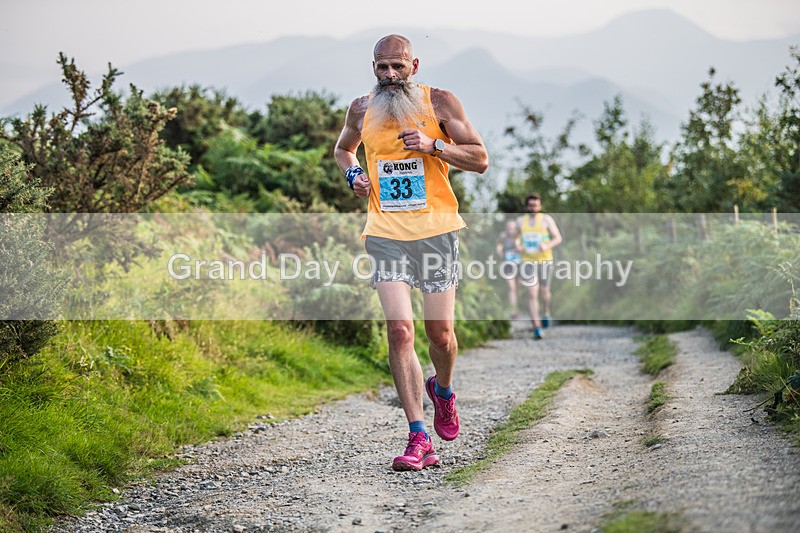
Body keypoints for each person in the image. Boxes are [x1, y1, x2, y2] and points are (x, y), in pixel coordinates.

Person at [334, 34, 488, 471]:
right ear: (373, 67)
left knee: (441, 335)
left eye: (397, 66)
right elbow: (343, 150)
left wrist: (433, 145)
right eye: (381, 67)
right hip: (385, 233)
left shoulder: (440, 103)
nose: (389, 75)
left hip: (436, 232)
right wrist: (353, 176)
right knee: (400, 331)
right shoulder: (360, 109)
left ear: (414, 66)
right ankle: (418, 436)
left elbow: (479, 159)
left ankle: (443, 389)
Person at [517, 193, 562, 340]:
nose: (533, 208)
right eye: (530, 205)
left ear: (540, 206)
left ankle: (546, 311)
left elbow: (558, 238)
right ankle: (536, 327)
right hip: (527, 261)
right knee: (532, 293)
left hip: (545, 260)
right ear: (526, 207)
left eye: (535, 205)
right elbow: (514, 238)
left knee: (544, 292)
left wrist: (547, 245)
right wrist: (517, 245)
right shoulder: (520, 221)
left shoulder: (546, 220)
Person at [496, 219, 522, 319]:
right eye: (508, 227)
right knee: (511, 287)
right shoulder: (503, 236)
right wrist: (501, 254)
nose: (510, 229)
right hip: (508, 265)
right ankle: (513, 311)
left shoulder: (519, 236)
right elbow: (499, 247)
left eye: (512, 228)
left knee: (517, 288)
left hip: (519, 264)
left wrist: (517, 244)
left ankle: (517, 307)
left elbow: (522, 249)